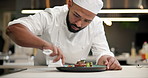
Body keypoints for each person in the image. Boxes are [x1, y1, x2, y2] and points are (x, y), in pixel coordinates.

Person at [6, 0, 122, 70]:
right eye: (76, 15)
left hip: (77, 74)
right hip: (42, 72)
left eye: (87, 21)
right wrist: (45, 45)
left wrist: (108, 60)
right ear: (69, 3)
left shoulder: (96, 23)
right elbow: (13, 29)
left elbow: (102, 52)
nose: (79, 24)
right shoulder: (51, 16)